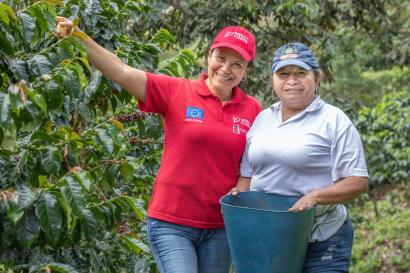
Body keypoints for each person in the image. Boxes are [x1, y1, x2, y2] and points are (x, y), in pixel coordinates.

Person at [55, 17, 262, 273]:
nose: (226, 68)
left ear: (246, 71)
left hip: (220, 227)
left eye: (237, 64)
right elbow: (121, 71)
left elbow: (255, 164)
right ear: (209, 55)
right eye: (220, 57)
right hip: (172, 223)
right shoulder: (177, 91)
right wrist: (78, 36)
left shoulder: (253, 109)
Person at [232, 42, 369, 273]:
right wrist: (239, 201)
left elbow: (358, 182)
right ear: (273, 80)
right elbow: (247, 175)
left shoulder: (334, 120)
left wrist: (315, 196)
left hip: (321, 238)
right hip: (268, 237)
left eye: (300, 73)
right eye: (283, 74)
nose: (291, 81)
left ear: (316, 79)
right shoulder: (263, 119)